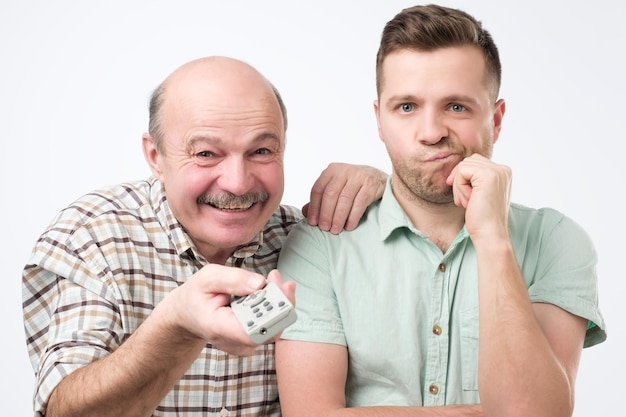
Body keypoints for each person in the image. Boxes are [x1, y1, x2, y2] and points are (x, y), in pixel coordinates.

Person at [275, 4, 607, 417]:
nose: (431, 133)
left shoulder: (556, 241)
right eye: (407, 108)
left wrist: (493, 241)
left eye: (456, 107)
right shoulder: (322, 243)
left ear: (497, 119)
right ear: (380, 120)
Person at [22, 56, 388, 417]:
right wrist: (178, 324)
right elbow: (64, 410)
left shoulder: (308, 239)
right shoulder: (93, 237)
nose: (238, 182)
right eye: (206, 154)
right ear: (155, 156)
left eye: (261, 151)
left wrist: (388, 189)